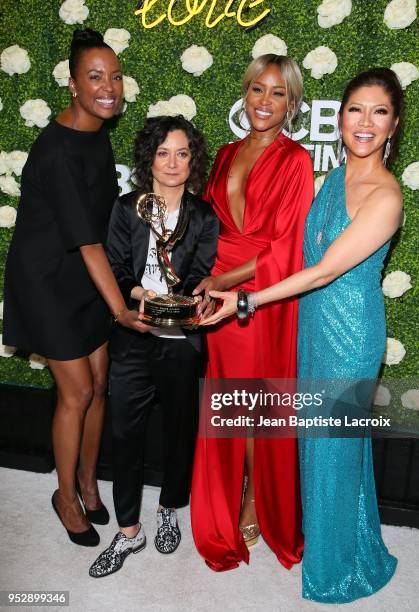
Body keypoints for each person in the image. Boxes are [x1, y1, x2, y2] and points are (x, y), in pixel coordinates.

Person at [201, 67, 403, 602]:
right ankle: (348, 543)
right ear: (339, 118)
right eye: (355, 109)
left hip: (349, 334)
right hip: (311, 324)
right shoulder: (337, 176)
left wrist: (245, 299)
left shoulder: (385, 195)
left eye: (378, 112)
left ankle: (336, 572)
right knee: (325, 448)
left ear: (394, 124)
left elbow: (322, 270)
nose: (365, 123)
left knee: (333, 450)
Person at [3, 29, 149, 547]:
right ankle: (64, 496)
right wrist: (125, 307)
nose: (108, 87)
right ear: (72, 85)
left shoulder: (96, 132)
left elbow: (102, 224)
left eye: (114, 76)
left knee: (101, 379)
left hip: (86, 274)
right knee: (78, 390)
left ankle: (88, 481)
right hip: (48, 280)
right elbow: (87, 243)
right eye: (95, 77)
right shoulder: (59, 150)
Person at [190, 54, 314, 571]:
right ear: (245, 93)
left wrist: (223, 283)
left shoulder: (296, 161)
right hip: (216, 294)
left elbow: (287, 250)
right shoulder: (223, 154)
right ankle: (228, 495)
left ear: (292, 104)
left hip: (261, 295)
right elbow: (210, 229)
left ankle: (254, 500)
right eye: (258, 89)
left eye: (278, 93)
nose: (265, 102)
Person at [88, 116, 219, 578]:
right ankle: (128, 530)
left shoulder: (203, 216)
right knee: (125, 432)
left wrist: (179, 300)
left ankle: (169, 507)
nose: (172, 163)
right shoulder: (126, 208)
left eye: (182, 153)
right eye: (163, 153)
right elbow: (118, 268)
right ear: (149, 159)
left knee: (180, 430)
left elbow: (201, 269)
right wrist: (141, 298)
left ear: (192, 161)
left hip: (182, 341)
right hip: (131, 337)